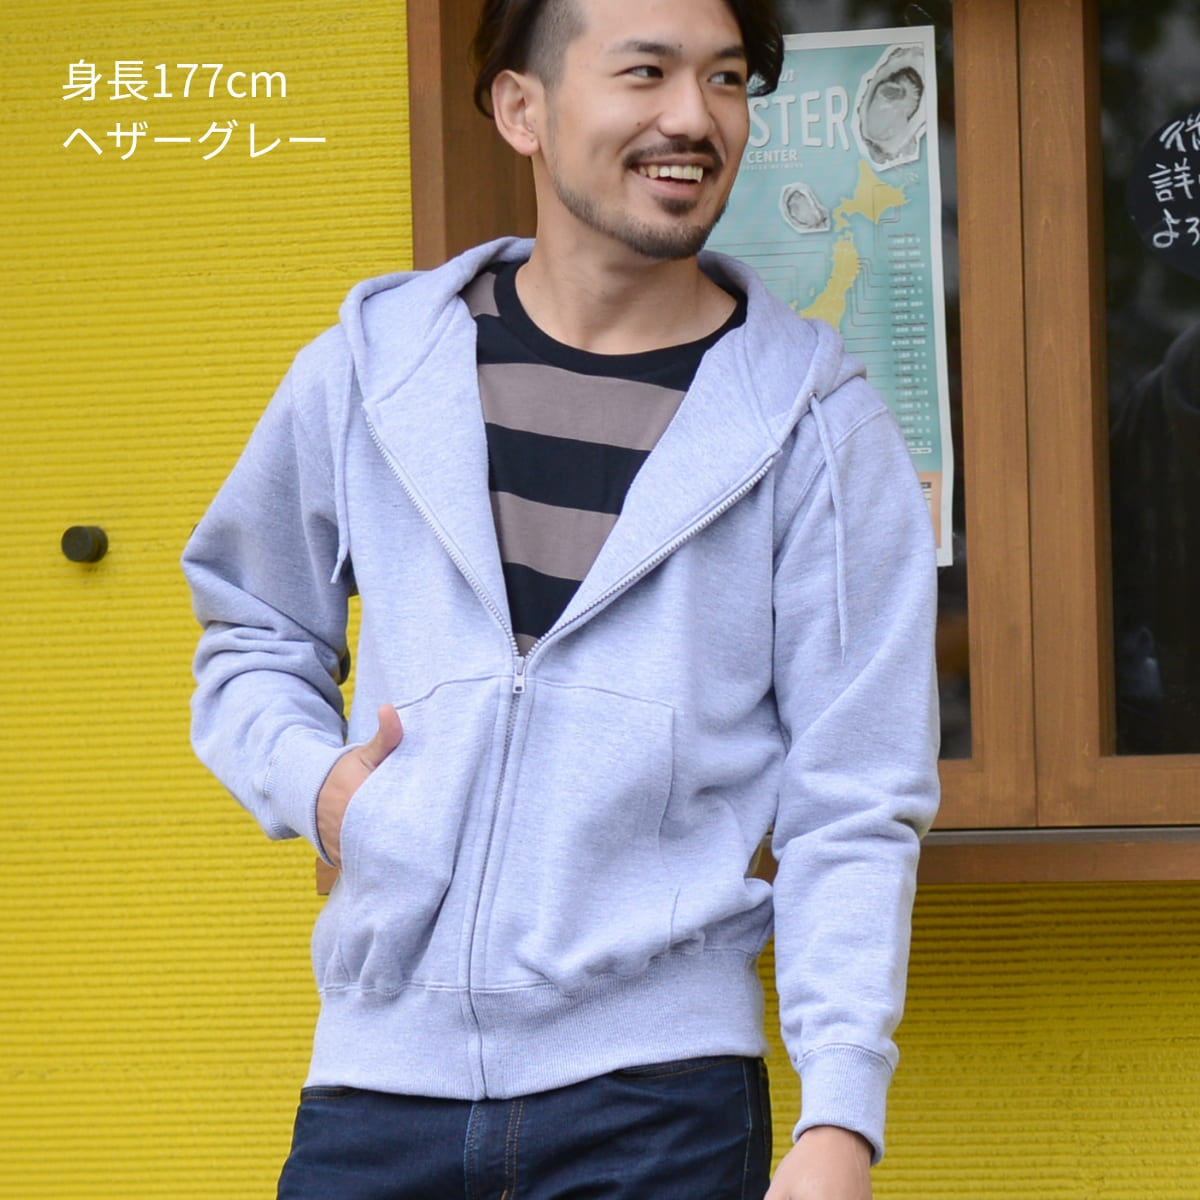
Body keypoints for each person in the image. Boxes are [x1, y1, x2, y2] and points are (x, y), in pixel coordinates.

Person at [182, 0, 940, 1196]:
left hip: (663, 1110)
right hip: (377, 1091)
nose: (694, 118)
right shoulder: (374, 373)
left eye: (726, 79)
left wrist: (838, 1116)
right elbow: (251, 627)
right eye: (646, 72)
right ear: (520, 108)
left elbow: (855, 795)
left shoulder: (817, 431)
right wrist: (322, 791)